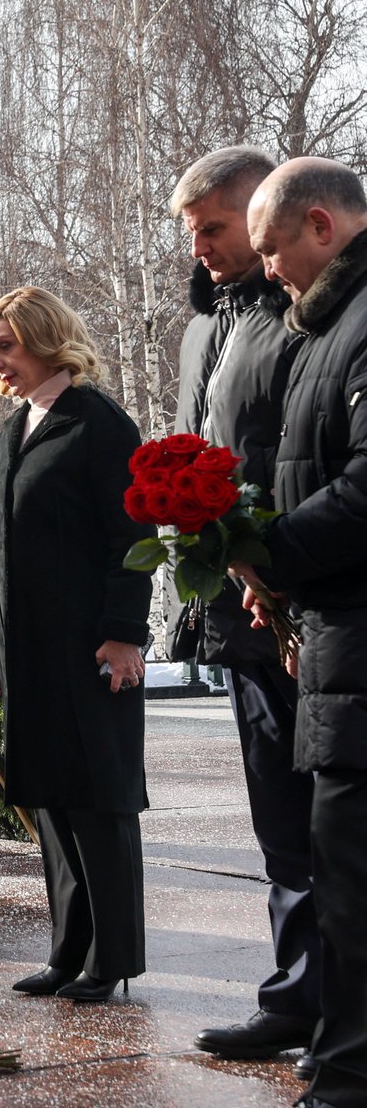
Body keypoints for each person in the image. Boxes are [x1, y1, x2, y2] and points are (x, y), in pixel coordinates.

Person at [167, 147, 322, 1066]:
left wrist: (278, 573)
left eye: (216, 229)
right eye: (193, 233)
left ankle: (332, 1006)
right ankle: (297, 995)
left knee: (325, 822)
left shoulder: (298, 316)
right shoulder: (203, 329)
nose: (205, 249)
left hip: (298, 603)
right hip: (238, 607)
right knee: (280, 821)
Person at [0, 287, 153, 1002]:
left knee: (97, 802)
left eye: (7, 345)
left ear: (48, 339)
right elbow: (0, 543)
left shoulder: (99, 423)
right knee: (49, 797)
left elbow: (132, 538)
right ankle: (67, 951)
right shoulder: (18, 425)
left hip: (88, 645)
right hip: (28, 646)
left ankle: (112, 960)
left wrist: (123, 634)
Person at [236, 156, 367, 1108]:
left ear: (320, 226)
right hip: (335, 640)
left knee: (354, 874)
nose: (267, 267)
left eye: (274, 248)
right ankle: (340, 1051)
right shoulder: (324, 325)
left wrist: (271, 552)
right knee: (340, 866)